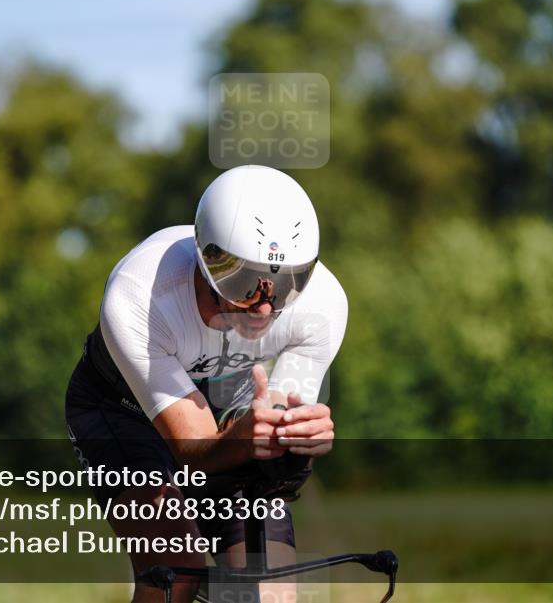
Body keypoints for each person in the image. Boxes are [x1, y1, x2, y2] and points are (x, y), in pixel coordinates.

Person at [64, 164, 347, 602]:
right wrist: (250, 435)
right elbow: (194, 453)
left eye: (287, 284)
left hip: (226, 406)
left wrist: (295, 440)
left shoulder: (324, 304)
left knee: (271, 591)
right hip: (120, 410)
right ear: (207, 258)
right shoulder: (140, 295)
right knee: (177, 572)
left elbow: (270, 438)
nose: (264, 308)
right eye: (245, 283)